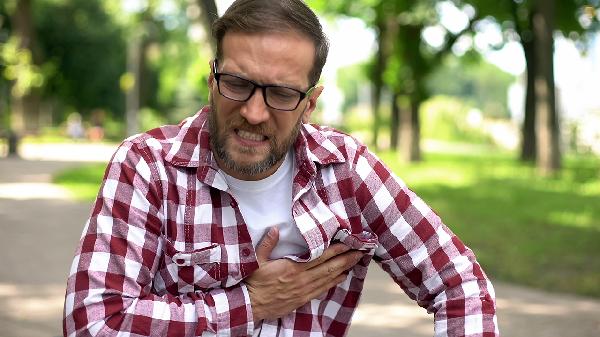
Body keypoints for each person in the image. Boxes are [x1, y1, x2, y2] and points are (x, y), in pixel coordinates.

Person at [63, 0, 499, 336]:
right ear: (211, 79)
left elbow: (459, 283)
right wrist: (250, 304)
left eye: (282, 94)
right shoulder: (148, 166)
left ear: (310, 103)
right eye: (237, 83)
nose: (254, 112)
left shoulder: (346, 171)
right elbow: (93, 322)